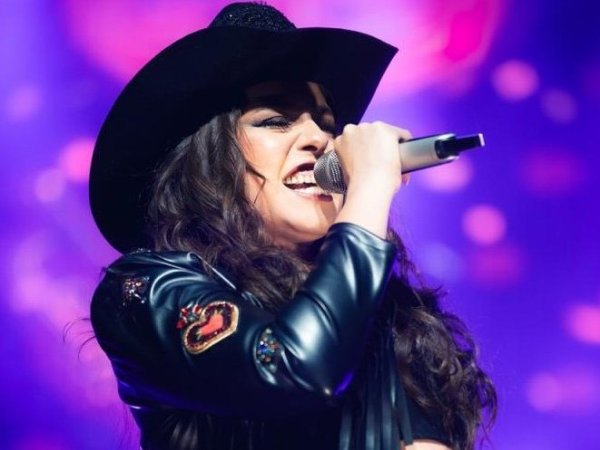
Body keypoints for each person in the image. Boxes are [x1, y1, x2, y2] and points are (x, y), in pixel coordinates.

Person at [89, 3, 496, 450]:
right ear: (207, 162)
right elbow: (294, 368)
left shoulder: (385, 316)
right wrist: (369, 191)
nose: (320, 139)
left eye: (327, 123)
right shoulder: (146, 288)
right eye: (276, 121)